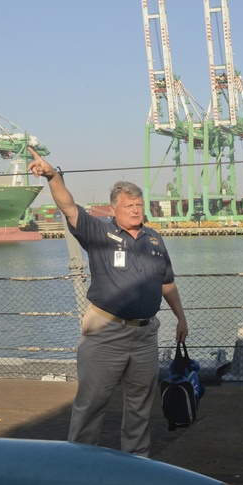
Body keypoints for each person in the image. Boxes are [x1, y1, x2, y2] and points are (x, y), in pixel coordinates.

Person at [27, 148, 188, 457]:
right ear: (114, 208)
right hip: (106, 332)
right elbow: (69, 207)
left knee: (141, 404)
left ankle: (135, 461)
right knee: (92, 402)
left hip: (145, 335)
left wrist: (181, 317)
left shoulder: (155, 240)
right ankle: (81, 463)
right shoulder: (99, 233)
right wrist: (52, 176)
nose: (136, 210)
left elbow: (167, 283)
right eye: (130, 206)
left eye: (140, 205)